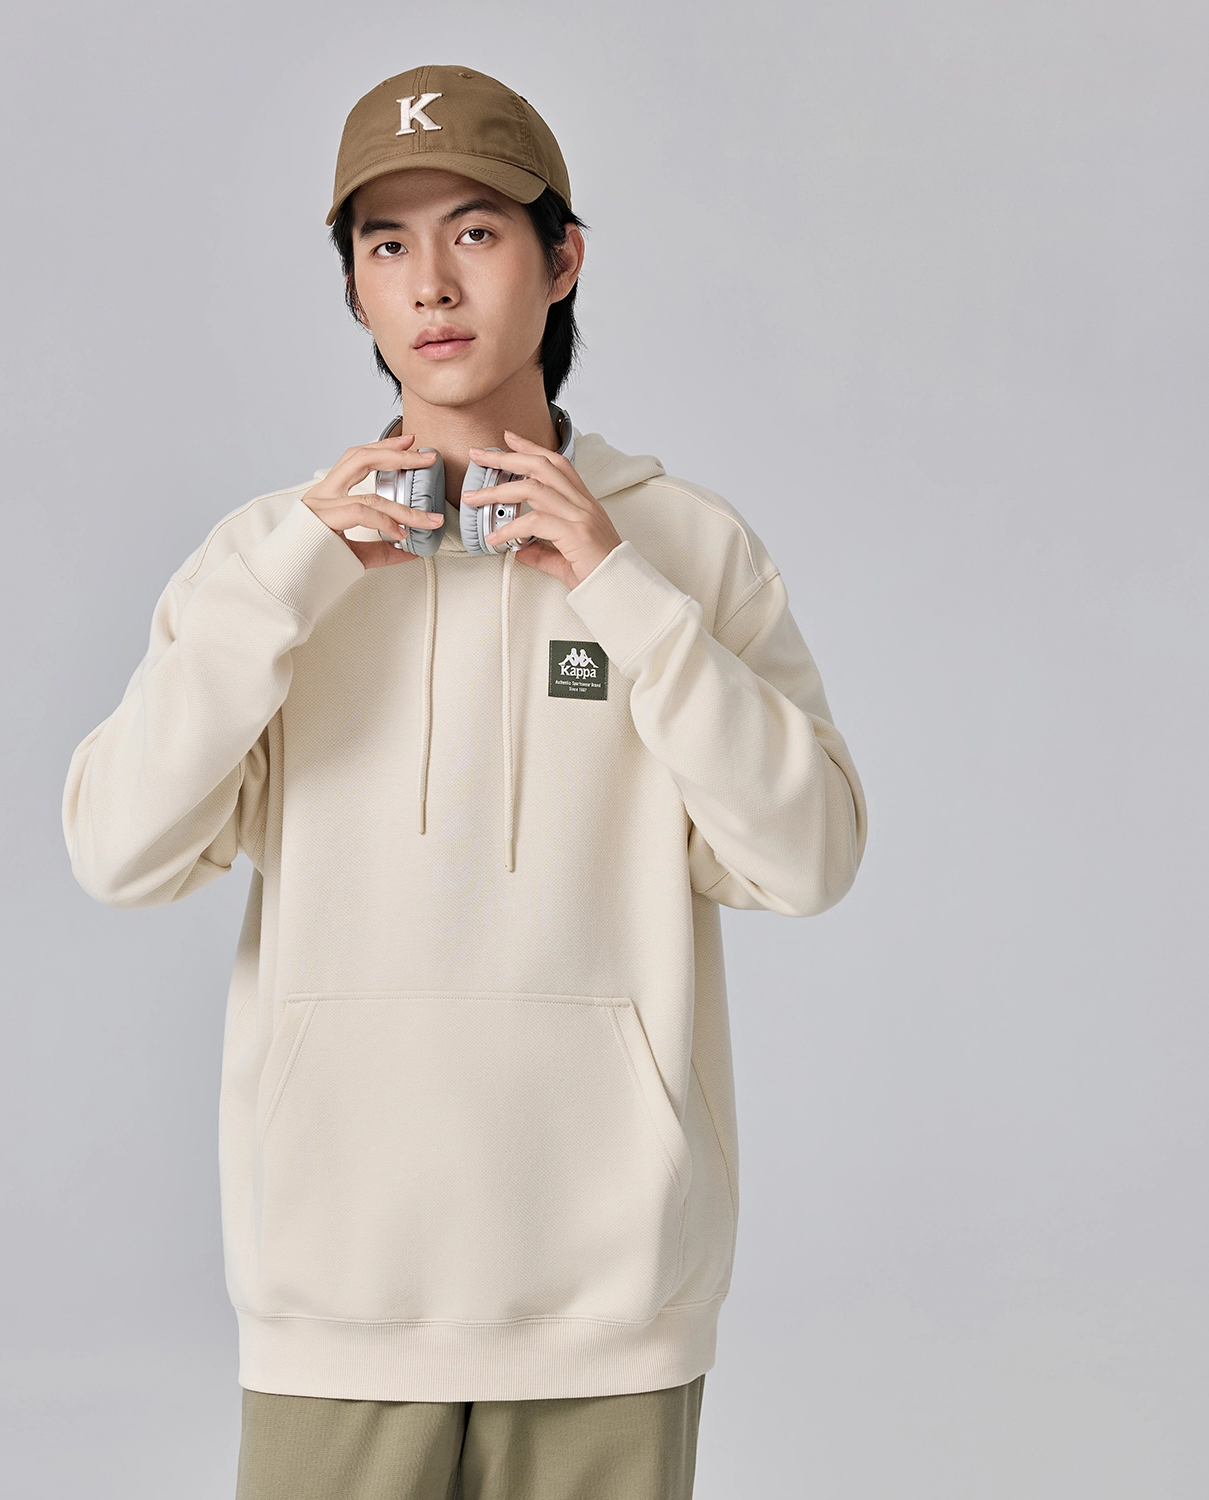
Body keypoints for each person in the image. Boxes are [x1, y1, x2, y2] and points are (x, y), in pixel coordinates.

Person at [62, 62, 867, 1500]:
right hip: (335, 1305)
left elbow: (808, 859)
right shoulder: (266, 563)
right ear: (355, 289)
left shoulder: (685, 549)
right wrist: (290, 583)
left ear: (563, 260)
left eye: (476, 231)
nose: (430, 282)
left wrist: (621, 592)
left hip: (611, 1309)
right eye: (386, 243)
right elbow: (119, 852)